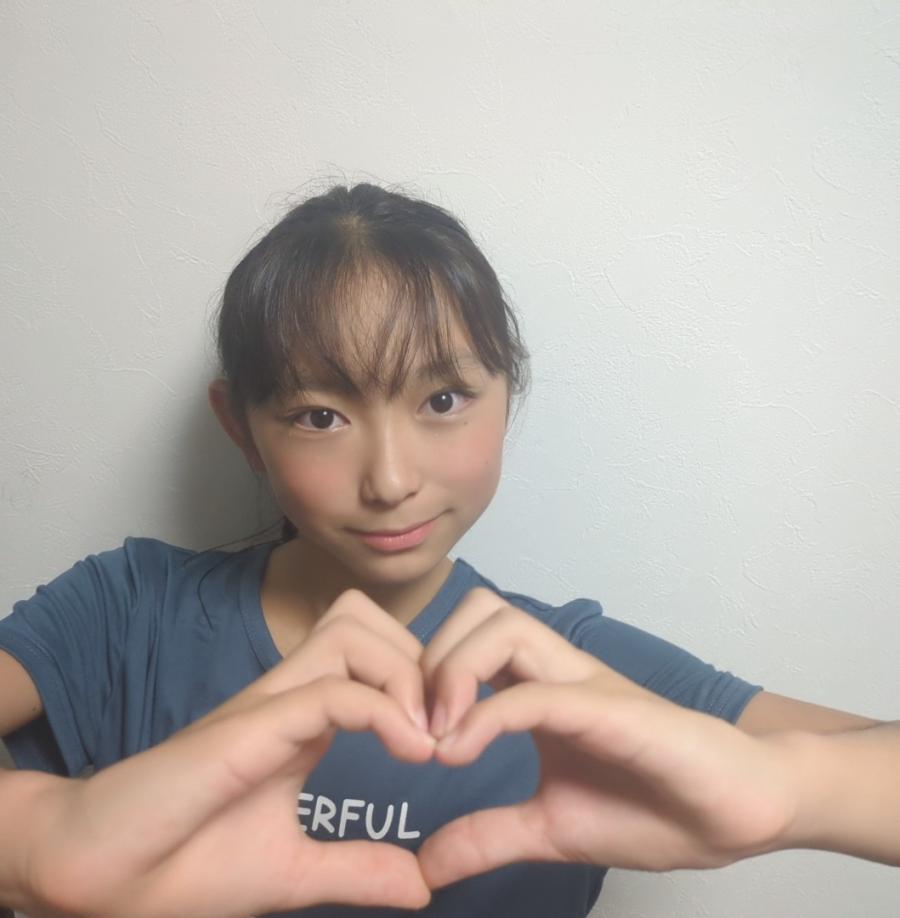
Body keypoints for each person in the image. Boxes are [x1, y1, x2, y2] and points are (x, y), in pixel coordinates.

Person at [0, 184, 888, 917]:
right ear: (242, 428)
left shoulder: (576, 674)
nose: (390, 480)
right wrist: (40, 845)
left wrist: (790, 790)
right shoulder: (128, 611)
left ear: (509, 395)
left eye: (443, 401)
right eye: (320, 415)